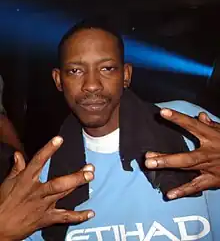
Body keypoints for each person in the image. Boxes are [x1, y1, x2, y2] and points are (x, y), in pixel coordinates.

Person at [15, 19, 219, 240]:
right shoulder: (45, 179)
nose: (92, 85)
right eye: (75, 71)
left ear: (126, 75)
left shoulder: (187, 126)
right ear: (58, 80)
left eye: (107, 68)